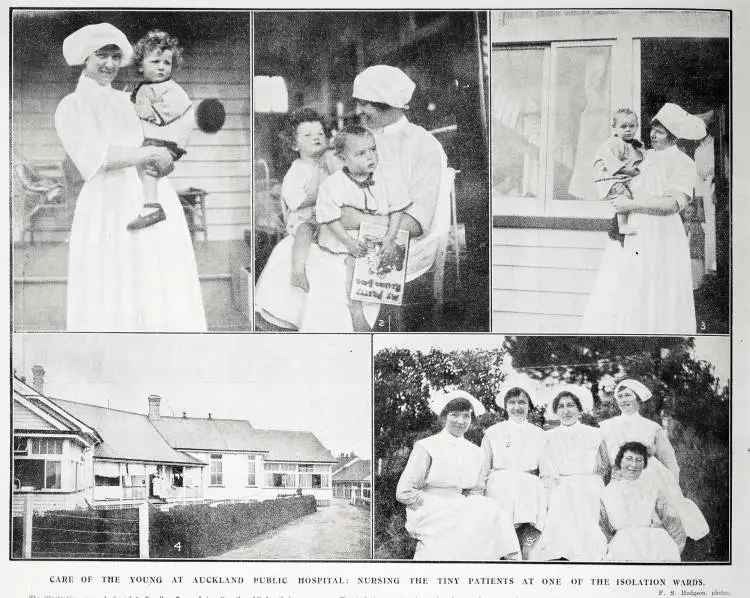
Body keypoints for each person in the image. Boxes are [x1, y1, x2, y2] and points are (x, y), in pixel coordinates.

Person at [254, 65, 448, 332]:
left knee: (328, 272)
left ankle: (343, 342)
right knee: (286, 251)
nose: (360, 110)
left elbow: (416, 223)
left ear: (387, 102)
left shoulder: (422, 144)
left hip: (398, 238)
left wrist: (357, 220)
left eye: (366, 104)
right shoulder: (360, 138)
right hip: (349, 229)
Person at [55, 23, 206, 331]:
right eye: (102, 55)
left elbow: (158, 139)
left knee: (155, 282)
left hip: (151, 196)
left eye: (115, 56)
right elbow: (97, 157)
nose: (110, 64)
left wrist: (165, 160)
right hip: (107, 202)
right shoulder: (73, 106)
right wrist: (148, 155)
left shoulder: (130, 101)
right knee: (114, 284)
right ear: (85, 58)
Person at [581, 102, 705, 334]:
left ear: (673, 135)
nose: (652, 135)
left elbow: (671, 204)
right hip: (635, 229)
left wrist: (632, 204)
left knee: (658, 287)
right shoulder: (643, 157)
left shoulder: (683, 163)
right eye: (652, 129)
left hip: (662, 233)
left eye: (659, 131)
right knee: (628, 287)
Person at [396, 390, 521, 561]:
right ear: (444, 417)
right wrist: (437, 504)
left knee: (491, 509)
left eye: (466, 416)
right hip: (429, 508)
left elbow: (476, 490)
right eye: (454, 415)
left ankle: (512, 561)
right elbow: (404, 491)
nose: (460, 421)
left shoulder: (476, 451)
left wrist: (467, 506)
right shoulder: (427, 446)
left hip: (460, 506)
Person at [316, 125, 411, 330]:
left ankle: (389, 315)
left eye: (373, 149)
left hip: (380, 233)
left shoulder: (388, 176)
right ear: (343, 159)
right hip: (347, 235)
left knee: (391, 263)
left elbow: (397, 209)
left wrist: (390, 236)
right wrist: (349, 242)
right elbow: (331, 218)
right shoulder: (333, 185)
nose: (370, 157)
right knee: (353, 263)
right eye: (361, 153)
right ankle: (356, 310)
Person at [598, 379, 709, 541]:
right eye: (620, 396)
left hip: (651, 476)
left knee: (653, 518)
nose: (623, 400)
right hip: (621, 477)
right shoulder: (606, 426)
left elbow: (669, 460)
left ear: (638, 398)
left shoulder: (651, 426)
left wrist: (673, 485)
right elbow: (601, 459)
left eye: (628, 395)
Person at [530, 386, 609, 561]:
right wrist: (552, 487)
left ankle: (588, 552)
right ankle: (564, 552)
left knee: (585, 501)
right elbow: (547, 467)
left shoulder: (595, 434)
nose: (566, 411)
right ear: (556, 412)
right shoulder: (548, 436)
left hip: (590, 482)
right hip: (561, 484)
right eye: (561, 406)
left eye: (571, 405)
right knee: (561, 501)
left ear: (579, 409)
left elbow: (604, 466)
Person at [127, 29, 193, 232]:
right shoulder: (145, 87)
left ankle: (152, 207)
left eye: (167, 63)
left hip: (169, 140)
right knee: (143, 165)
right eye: (156, 62)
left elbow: (151, 113)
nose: (162, 67)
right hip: (158, 138)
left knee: (150, 164)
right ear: (140, 65)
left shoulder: (172, 90)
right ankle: (147, 202)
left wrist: (128, 108)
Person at [279, 108, 341, 292]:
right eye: (307, 135)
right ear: (294, 145)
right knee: (305, 230)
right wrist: (323, 192)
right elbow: (295, 201)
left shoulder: (329, 163)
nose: (316, 137)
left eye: (320, 133)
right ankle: (298, 271)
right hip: (302, 220)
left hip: (323, 219)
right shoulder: (297, 170)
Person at [480, 375, 548, 537]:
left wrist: (546, 498)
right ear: (505, 406)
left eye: (522, 402)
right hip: (499, 491)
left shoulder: (540, 435)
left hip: (529, 493)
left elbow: (548, 471)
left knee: (527, 538)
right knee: (499, 537)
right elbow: (482, 468)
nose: (517, 407)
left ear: (529, 406)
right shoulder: (492, 433)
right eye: (512, 402)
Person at [600, 441, 686, 562]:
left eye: (639, 460)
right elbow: (603, 528)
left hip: (656, 548)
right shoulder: (607, 493)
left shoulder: (654, 489)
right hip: (623, 548)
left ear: (644, 464)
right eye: (629, 459)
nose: (633, 465)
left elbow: (673, 522)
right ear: (620, 461)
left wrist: (673, 551)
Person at [593, 108, 645, 238]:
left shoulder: (631, 144)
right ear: (614, 127)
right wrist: (629, 171)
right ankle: (622, 226)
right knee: (624, 195)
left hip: (618, 177)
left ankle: (621, 225)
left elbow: (637, 157)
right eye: (623, 126)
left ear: (637, 126)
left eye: (632, 126)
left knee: (629, 195)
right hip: (608, 178)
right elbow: (611, 162)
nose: (628, 130)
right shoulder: (613, 143)